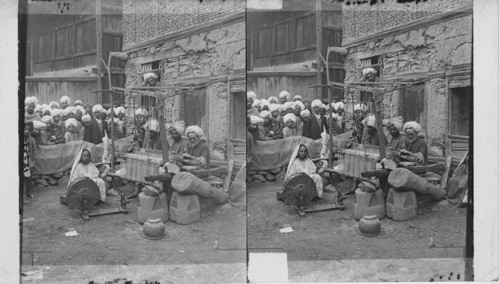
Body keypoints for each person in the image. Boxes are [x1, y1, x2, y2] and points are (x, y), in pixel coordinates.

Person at [23, 122, 37, 198]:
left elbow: (34, 150)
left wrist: (33, 160)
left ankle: (28, 192)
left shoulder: (31, 139)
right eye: (25, 129)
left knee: (29, 178)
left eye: (28, 129)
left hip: (29, 160)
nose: (27, 131)